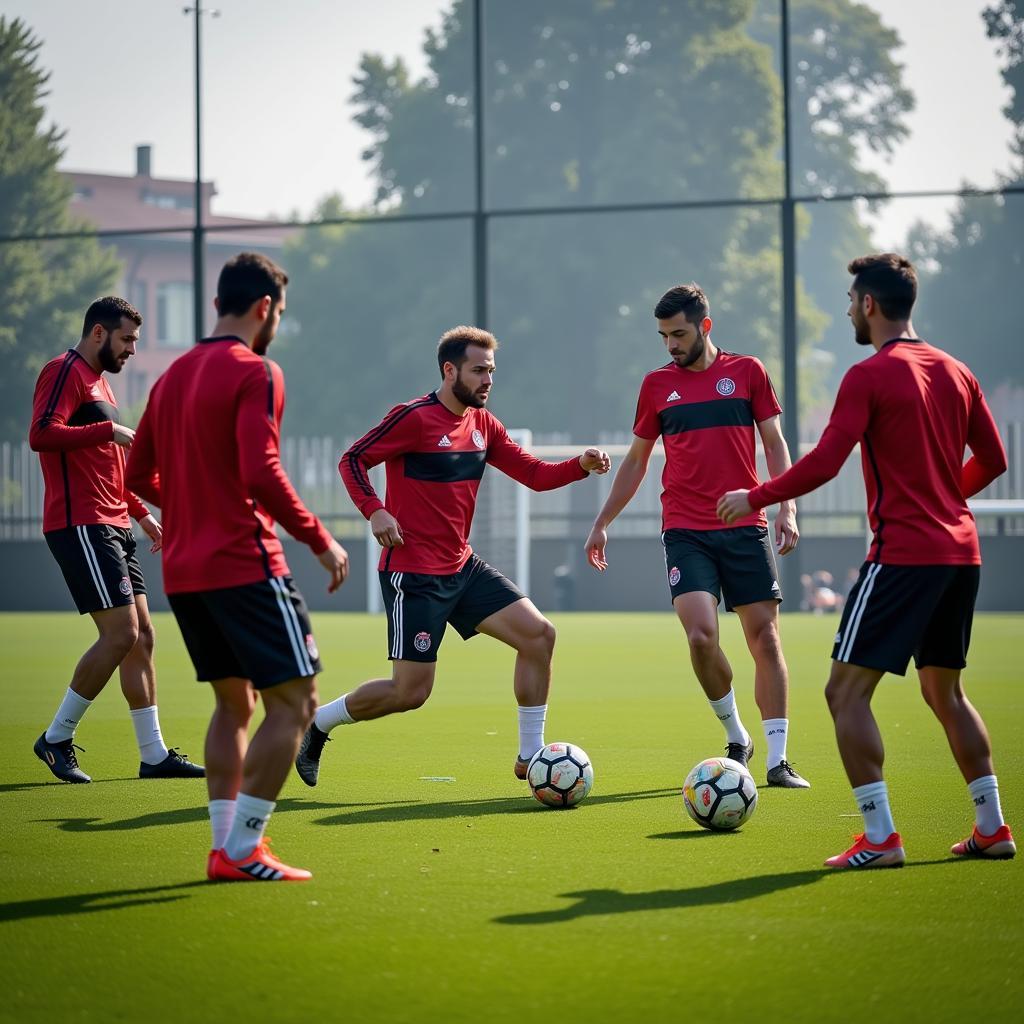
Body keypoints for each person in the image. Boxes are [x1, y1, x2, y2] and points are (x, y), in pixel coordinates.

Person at [718, 252, 1014, 867]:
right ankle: (992, 827)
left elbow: (825, 461)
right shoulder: (957, 371)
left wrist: (756, 495)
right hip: (960, 553)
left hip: (904, 555)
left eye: (852, 301)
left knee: (845, 694)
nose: (848, 309)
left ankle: (880, 838)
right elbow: (994, 460)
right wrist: (944, 500)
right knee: (946, 693)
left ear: (870, 305)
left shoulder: (869, 375)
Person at [294, 326, 609, 787]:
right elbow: (353, 459)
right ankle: (319, 722)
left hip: (462, 567)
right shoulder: (413, 418)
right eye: (479, 370)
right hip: (413, 575)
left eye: (491, 371)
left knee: (539, 636)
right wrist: (375, 510)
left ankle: (530, 757)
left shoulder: (483, 424)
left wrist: (579, 466)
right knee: (411, 692)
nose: (488, 380)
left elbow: (534, 475)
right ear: (450, 370)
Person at [126, 252, 350, 882]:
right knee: (298, 701)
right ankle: (244, 846)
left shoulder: (169, 377)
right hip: (243, 563)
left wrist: (193, 507)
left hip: (185, 573)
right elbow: (261, 471)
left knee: (234, 706)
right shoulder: (257, 372)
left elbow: (137, 476)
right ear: (265, 308)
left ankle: (225, 849)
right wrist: (318, 538)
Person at [584, 283, 809, 789]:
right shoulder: (656, 385)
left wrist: (785, 508)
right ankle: (737, 736)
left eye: (679, 333)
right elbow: (637, 461)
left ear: (705, 326)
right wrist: (602, 522)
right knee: (701, 635)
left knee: (765, 639)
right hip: (685, 527)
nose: (670, 344)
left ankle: (777, 761)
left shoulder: (748, 372)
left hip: (744, 525)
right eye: (663, 335)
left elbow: (774, 444)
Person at [29, 297, 203, 784]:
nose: (131, 350)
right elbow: (42, 434)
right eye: (127, 340)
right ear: (100, 333)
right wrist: (110, 429)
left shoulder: (100, 383)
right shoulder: (62, 371)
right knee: (121, 634)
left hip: (115, 523)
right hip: (80, 524)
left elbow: (108, 464)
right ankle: (57, 737)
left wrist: (141, 515)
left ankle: (153, 756)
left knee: (143, 637)